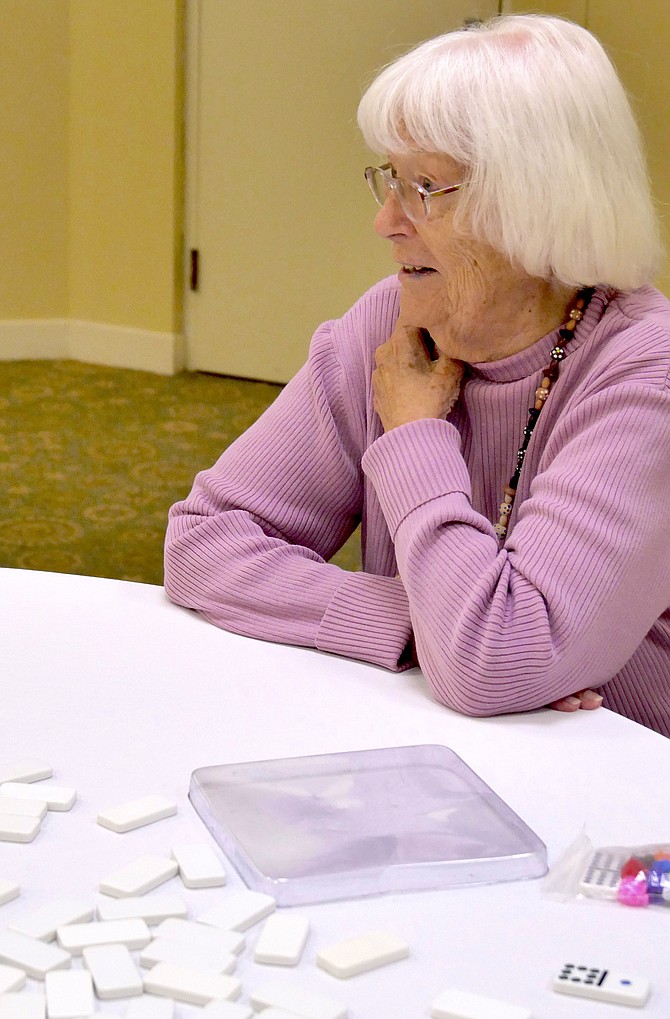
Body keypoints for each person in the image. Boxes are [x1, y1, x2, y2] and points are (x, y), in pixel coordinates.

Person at [165, 14, 670, 736]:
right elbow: (204, 539)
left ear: (538, 201)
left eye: (426, 186)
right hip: (432, 747)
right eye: (390, 181)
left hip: (621, 789)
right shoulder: (392, 326)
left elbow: (492, 661)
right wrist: (420, 623)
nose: (387, 222)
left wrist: (415, 431)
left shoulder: (645, 375)